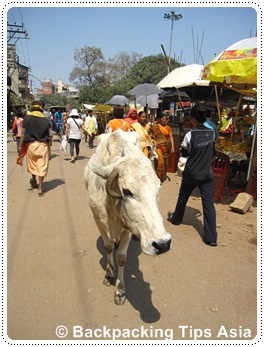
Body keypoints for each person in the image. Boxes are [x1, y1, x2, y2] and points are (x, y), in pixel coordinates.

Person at [167, 104, 217, 247]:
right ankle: (211, 237)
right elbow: (212, 151)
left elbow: (184, 153)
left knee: (183, 197)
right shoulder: (211, 133)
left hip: (192, 172)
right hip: (207, 174)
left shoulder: (190, 134)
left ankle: (176, 219)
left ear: (193, 118)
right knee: (208, 204)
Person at [19, 101, 52, 197]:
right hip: (43, 146)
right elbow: (50, 134)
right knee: (42, 166)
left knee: (33, 164)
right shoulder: (46, 120)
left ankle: (34, 180)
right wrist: (50, 143)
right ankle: (40, 188)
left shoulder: (27, 118)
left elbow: (23, 133)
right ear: (41, 108)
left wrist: (20, 146)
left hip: (31, 145)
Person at [151, 113, 174, 183]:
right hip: (158, 146)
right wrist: (155, 143)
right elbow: (152, 136)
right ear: (159, 119)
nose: (164, 120)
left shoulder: (168, 128)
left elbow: (171, 137)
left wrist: (172, 147)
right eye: (163, 119)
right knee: (160, 162)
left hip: (166, 147)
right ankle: (158, 177)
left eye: (165, 119)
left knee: (165, 162)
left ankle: (163, 176)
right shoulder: (155, 127)